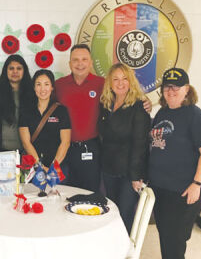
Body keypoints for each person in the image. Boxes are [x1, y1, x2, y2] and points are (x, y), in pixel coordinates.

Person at [56, 44, 151, 192]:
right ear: (69, 63)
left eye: (84, 59)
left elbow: (126, 96)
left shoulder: (102, 84)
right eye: (75, 60)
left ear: (91, 63)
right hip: (65, 150)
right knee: (64, 193)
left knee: (90, 194)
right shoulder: (59, 85)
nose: (80, 64)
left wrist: (146, 102)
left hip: (92, 149)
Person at [149, 68, 201, 259]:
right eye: (167, 87)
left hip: (183, 190)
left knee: (174, 239)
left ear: (186, 89)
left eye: (176, 87)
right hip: (161, 188)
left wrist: (196, 184)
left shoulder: (196, 117)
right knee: (166, 235)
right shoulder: (162, 113)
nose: (170, 91)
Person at [98, 63, 150, 233]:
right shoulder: (106, 104)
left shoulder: (139, 107)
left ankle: (126, 251)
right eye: (116, 79)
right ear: (110, 83)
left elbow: (140, 144)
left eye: (125, 79)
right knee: (113, 211)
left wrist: (136, 176)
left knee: (125, 213)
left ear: (131, 81)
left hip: (130, 173)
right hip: (109, 168)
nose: (120, 83)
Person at [19, 69, 71, 170]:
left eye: (46, 84)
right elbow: (26, 142)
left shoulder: (61, 111)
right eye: (38, 84)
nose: (43, 89)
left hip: (57, 166)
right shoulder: (25, 111)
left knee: (59, 187)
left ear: (52, 87)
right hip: (34, 166)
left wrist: (53, 167)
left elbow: (65, 142)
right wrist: (40, 165)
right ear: (34, 87)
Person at [0, 54, 33, 154]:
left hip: (26, 152)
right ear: (6, 71)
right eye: (11, 68)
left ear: (24, 71)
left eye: (19, 68)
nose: (15, 71)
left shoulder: (32, 95)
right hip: (0, 152)